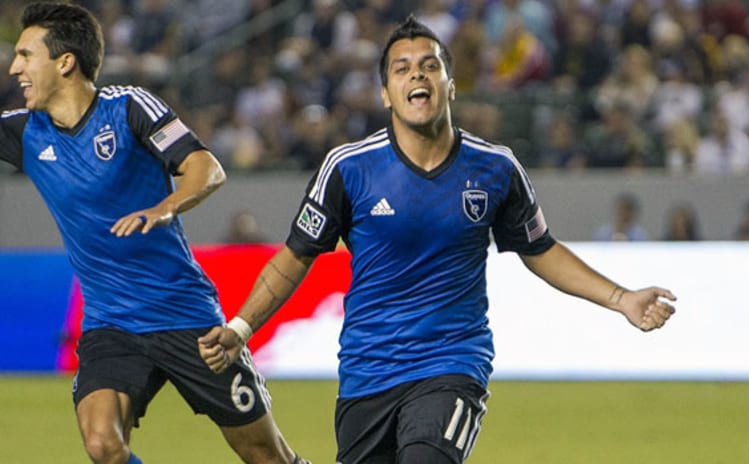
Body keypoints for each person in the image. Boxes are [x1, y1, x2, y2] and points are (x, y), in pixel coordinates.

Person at [199, 16, 676, 464]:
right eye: (402, 69)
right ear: (386, 93)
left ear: (450, 83)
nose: (417, 76)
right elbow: (295, 258)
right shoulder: (347, 168)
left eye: (430, 65)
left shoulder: (496, 168)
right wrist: (241, 329)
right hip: (367, 373)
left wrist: (622, 299)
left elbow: (541, 249)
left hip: (452, 364)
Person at [0, 4, 307, 464]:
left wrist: (166, 206)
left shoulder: (128, 108)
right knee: (103, 443)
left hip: (185, 316)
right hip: (111, 324)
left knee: (267, 455)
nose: (14, 67)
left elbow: (206, 167)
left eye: (26, 55)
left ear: (65, 62)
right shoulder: (25, 132)